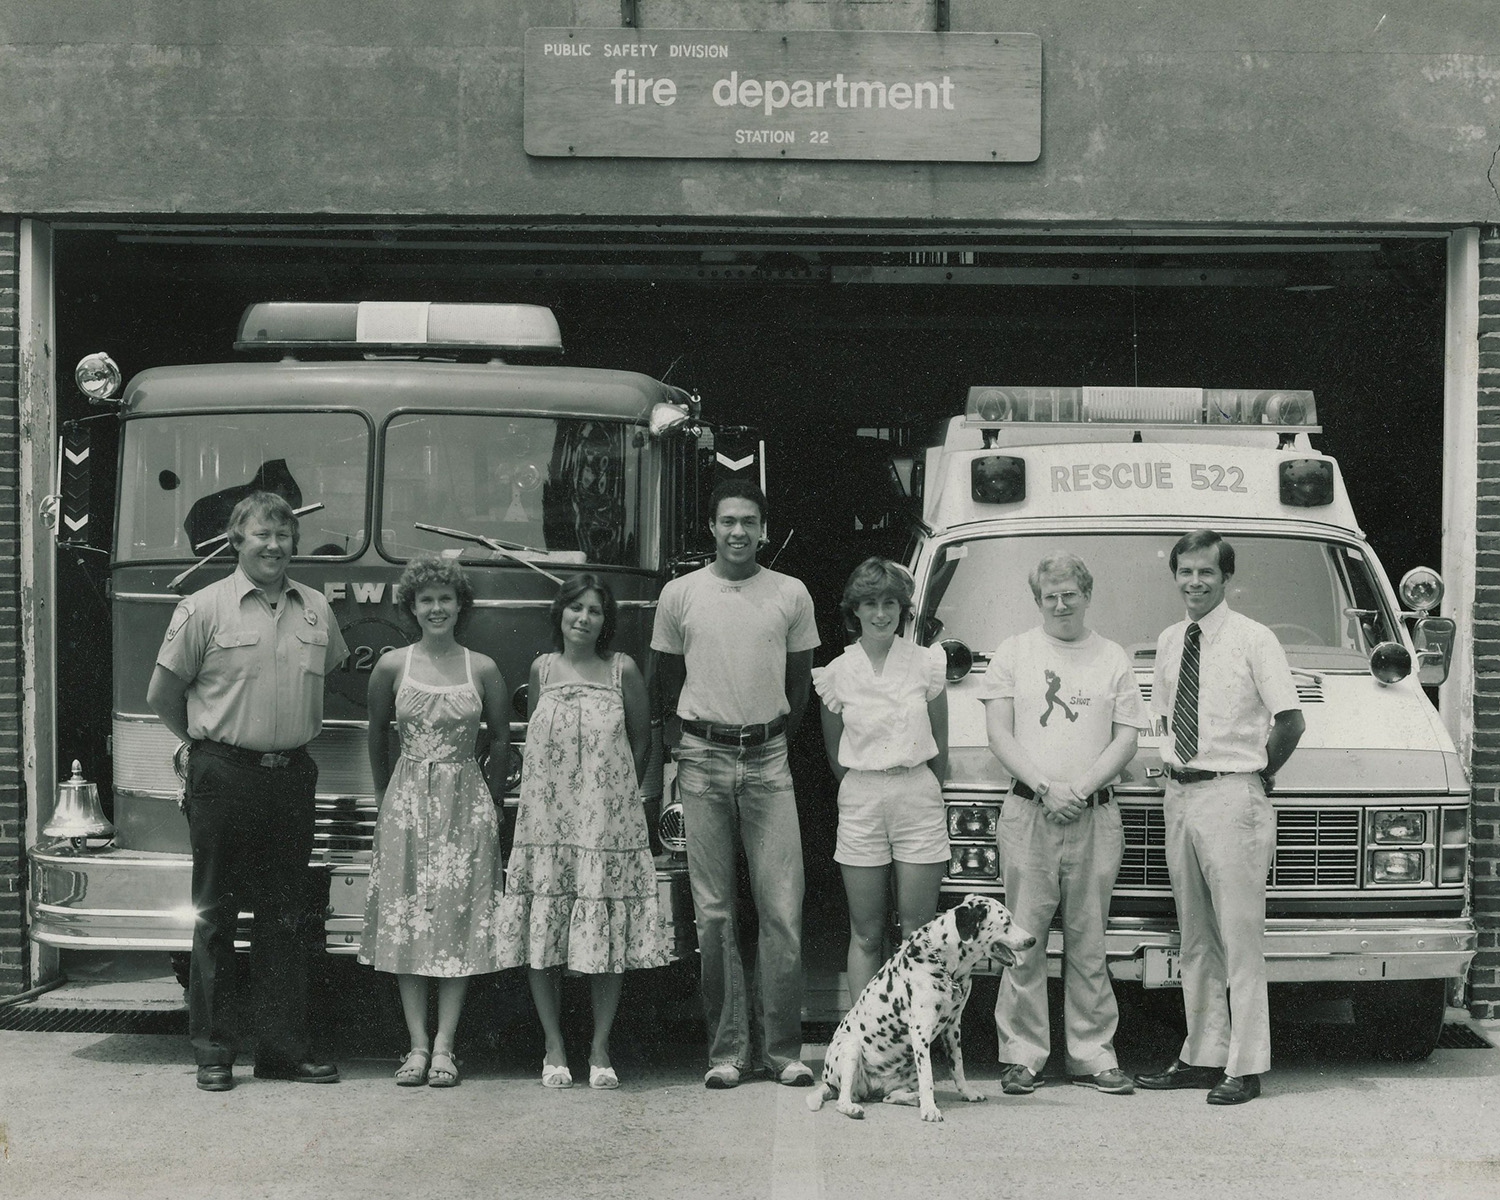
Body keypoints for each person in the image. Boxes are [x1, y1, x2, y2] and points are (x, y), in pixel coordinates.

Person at [147, 490, 349, 1092]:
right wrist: (206, 750)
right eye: (261, 535)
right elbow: (162, 695)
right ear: (236, 542)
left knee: (284, 918)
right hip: (223, 777)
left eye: (283, 535)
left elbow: (329, 674)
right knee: (215, 916)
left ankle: (283, 1050)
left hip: (291, 777)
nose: (274, 545)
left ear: (294, 544)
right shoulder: (202, 608)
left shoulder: (317, 609)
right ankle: (214, 1052)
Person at [652, 478, 821, 1090]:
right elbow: (666, 682)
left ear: (764, 528)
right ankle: (727, 1052)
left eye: (749, 521)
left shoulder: (791, 593)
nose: (738, 532)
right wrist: (683, 746)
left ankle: (782, 1053)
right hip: (702, 758)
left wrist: (769, 733)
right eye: (728, 521)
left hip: (769, 760)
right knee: (714, 915)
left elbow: (800, 683)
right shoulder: (681, 594)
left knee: (782, 909)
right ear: (713, 528)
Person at [1136, 529, 1305, 1106]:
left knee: (1239, 937)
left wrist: (1257, 773)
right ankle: (1203, 1053)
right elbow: (1162, 717)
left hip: (1233, 796)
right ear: (1175, 575)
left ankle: (1246, 1064)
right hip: (1179, 797)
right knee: (1194, 937)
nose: (1195, 582)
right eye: (1185, 571)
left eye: (1207, 572)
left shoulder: (1255, 640)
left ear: (1226, 577)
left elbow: (1290, 720)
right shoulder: (1167, 640)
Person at [978, 551, 1149, 1097]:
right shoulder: (1014, 653)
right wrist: (1048, 787)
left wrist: (1079, 788)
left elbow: (1127, 737)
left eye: (1069, 594)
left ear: (1086, 594)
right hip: (1029, 811)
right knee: (1022, 938)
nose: (1060, 604)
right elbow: (999, 734)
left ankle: (1092, 1053)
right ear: (1037, 600)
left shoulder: (1112, 657)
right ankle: (1023, 1055)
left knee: (1088, 941)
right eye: (1049, 596)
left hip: (1094, 814)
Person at [495, 573, 667, 1090]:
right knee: (544, 932)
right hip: (545, 825)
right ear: (560, 614)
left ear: (604, 622)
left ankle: (599, 1047)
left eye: (594, 611)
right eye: (576, 609)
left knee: (605, 934)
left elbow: (641, 744)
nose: (584, 619)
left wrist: (611, 805)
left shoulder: (622, 671)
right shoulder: (542, 669)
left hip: (605, 826)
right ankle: (554, 1045)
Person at [359, 555, 510, 1088]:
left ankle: (446, 1045)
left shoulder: (482, 667)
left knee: (457, 922)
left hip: (464, 803)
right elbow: (377, 733)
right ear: (412, 607)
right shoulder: (392, 666)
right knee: (405, 920)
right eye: (427, 599)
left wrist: (485, 802)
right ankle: (417, 1045)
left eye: (446, 598)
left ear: (459, 606)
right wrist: (385, 797)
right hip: (406, 803)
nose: (437, 608)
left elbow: (501, 740)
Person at [813, 558, 950, 1003]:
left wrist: (917, 789)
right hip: (862, 799)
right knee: (867, 933)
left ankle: (915, 1039)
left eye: (889, 602)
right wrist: (870, 784)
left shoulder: (927, 664)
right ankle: (863, 1040)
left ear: (903, 609)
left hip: (917, 794)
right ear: (854, 610)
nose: (880, 613)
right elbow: (835, 754)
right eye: (869, 603)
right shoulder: (836, 672)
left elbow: (940, 745)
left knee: (917, 932)